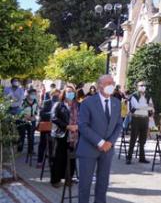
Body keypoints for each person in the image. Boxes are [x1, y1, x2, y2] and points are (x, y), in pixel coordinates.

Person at [76, 75, 123, 203]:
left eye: (112, 82)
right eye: (108, 83)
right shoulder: (87, 102)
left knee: (103, 183)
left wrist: (109, 142)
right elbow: (82, 125)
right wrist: (100, 142)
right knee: (85, 185)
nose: (111, 85)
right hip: (88, 149)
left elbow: (119, 124)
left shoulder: (116, 103)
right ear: (100, 85)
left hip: (107, 150)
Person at [50, 84, 79, 188]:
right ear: (64, 93)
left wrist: (77, 126)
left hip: (74, 136)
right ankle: (55, 180)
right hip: (61, 135)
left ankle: (68, 179)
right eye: (68, 91)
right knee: (59, 158)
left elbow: (83, 118)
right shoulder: (59, 104)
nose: (70, 93)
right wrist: (66, 126)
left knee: (71, 159)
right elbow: (53, 118)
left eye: (72, 91)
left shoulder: (77, 105)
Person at [127, 81, 154, 164]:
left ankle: (142, 158)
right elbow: (135, 106)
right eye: (141, 85)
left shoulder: (148, 96)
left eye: (144, 85)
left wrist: (143, 107)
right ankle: (129, 158)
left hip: (145, 119)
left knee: (143, 140)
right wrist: (145, 107)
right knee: (133, 139)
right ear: (137, 86)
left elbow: (151, 108)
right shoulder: (133, 96)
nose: (143, 86)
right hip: (136, 119)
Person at [37, 88, 59, 167]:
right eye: (54, 94)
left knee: (52, 145)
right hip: (46, 126)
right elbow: (42, 113)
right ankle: (39, 161)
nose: (56, 96)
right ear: (51, 95)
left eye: (57, 94)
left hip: (55, 127)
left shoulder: (60, 103)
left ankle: (51, 162)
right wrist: (52, 114)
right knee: (42, 144)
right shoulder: (46, 102)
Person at [17, 88, 39, 154]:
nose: (34, 95)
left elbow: (36, 110)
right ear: (28, 94)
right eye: (32, 94)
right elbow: (19, 111)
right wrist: (26, 117)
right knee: (21, 135)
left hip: (32, 120)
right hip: (22, 120)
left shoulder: (36, 101)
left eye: (35, 94)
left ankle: (30, 150)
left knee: (31, 136)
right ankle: (19, 149)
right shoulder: (23, 101)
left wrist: (34, 116)